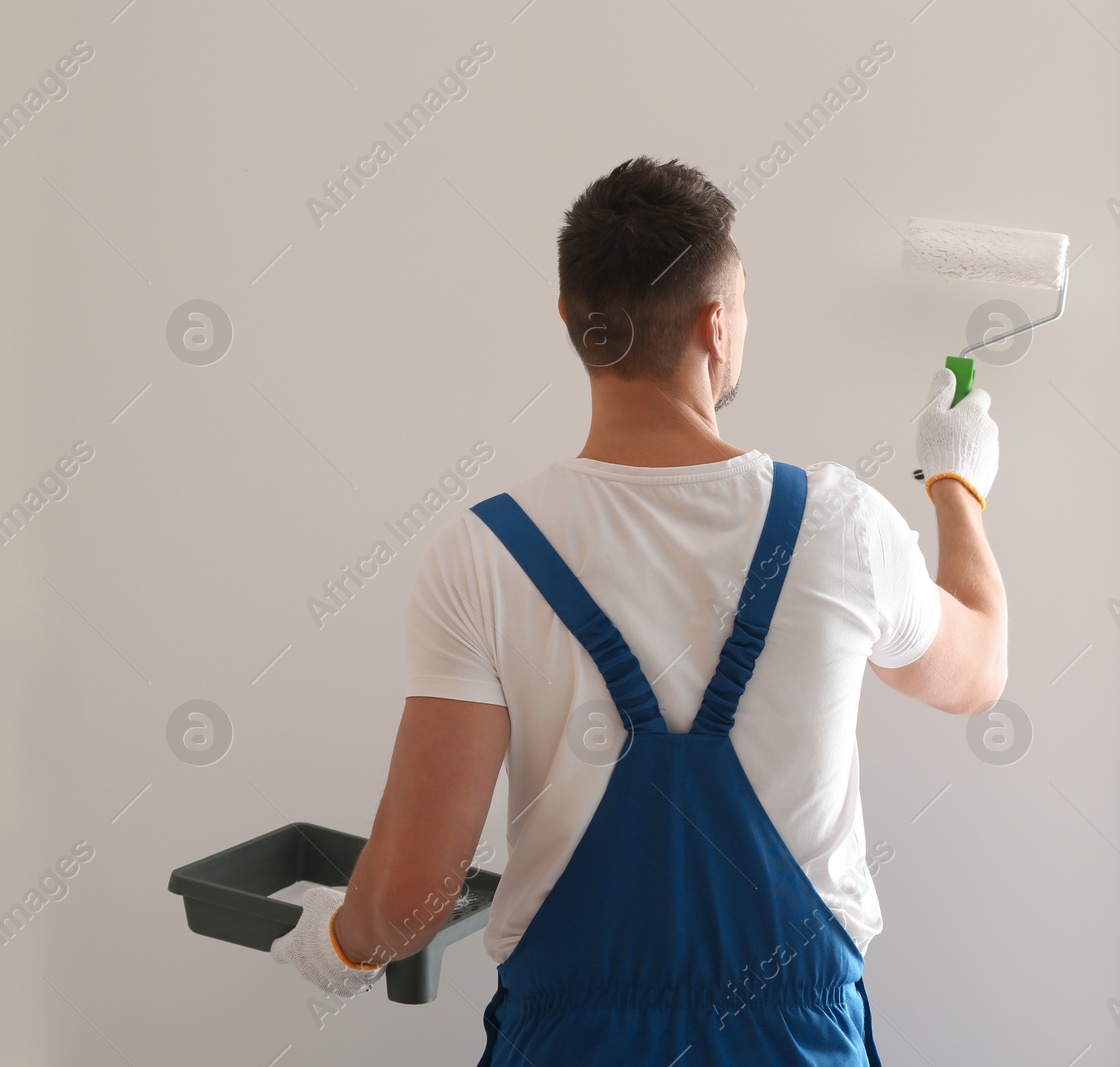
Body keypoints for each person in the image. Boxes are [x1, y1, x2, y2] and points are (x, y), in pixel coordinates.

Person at [271, 156, 1008, 1064]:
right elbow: (978, 674)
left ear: (572, 324)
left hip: (572, 1040)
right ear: (716, 325)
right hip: (792, 1038)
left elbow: (412, 897)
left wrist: (338, 944)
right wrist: (955, 484)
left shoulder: (486, 552)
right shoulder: (838, 523)